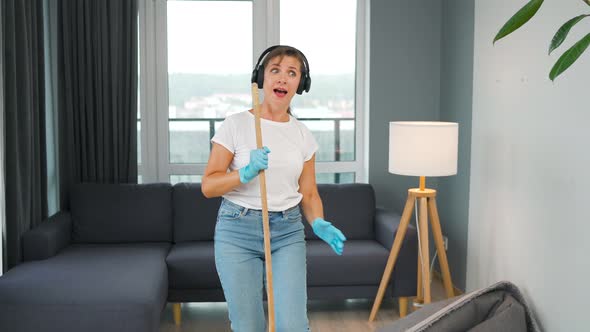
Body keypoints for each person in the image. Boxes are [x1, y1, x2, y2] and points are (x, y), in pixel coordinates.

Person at [201, 45, 347, 332]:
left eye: (292, 73)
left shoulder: (303, 135)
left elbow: (310, 193)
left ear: (300, 84)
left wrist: (318, 221)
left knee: (293, 326)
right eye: (275, 70)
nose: (283, 78)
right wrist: (244, 173)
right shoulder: (236, 125)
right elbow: (208, 186)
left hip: (287, 230)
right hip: (237, 229)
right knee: (249, 326)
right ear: (261, 78)